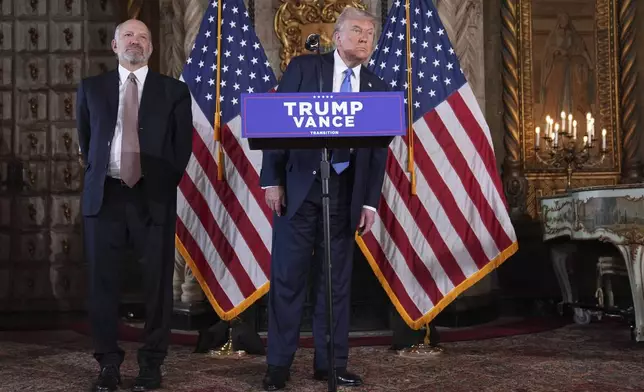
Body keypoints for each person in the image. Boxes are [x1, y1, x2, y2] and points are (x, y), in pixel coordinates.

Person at [259, 7, 388, 391]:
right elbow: (276, 126)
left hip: (344, 195)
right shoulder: (304, 68)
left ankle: (331, 364)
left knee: (335, 285)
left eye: (369, 33)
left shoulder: (377, 88)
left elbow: (378, 152)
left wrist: (369, 203)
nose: (365, 38)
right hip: (298, 191)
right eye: (357, 31)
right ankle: (278, 366)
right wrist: (272, 181)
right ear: (336, 35)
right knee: (287, 280)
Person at [76, 19, 193, 392]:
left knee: (157, 285)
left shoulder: (173, 91)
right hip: (105, 196)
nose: (136, 41)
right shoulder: (91, 89)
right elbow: (86, 141)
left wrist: (159, 185)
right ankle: (107, 363)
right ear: (114, 45)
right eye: (128, 35)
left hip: (151, 196)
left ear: (152, 48)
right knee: (102, 284)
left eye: (143, 37)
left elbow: (181, 148)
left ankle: (151, 363)